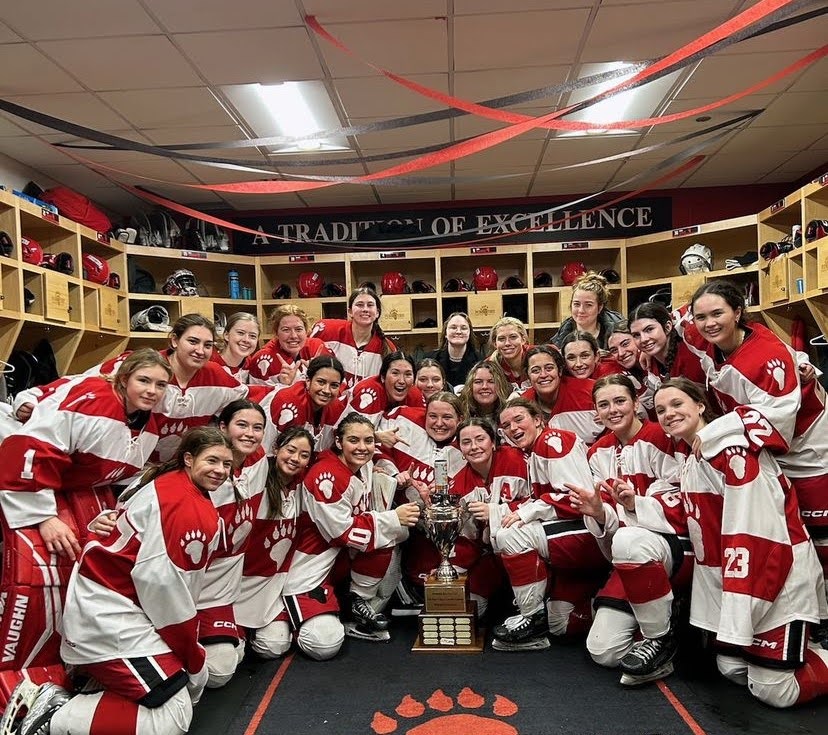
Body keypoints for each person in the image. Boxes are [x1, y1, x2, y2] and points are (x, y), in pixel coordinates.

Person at [6, 428, 234, 735]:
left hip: (122, 603)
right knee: (173, 716)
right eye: (213, 461)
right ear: (189, 459)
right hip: (110, 613)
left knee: (186, 683)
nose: (220, 470)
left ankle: (95, 687)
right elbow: (165, 592)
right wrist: (193, 657)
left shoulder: (174, 486)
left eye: (226, 464)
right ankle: (54, 713)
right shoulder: (184, 505)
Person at [648, 378, 828, 708]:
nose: (668, 414)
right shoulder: (693, 459)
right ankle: (801, 647)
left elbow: (757, 535)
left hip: (777, 576)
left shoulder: (732, 451)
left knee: (775, 692)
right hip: (745, 582)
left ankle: (816, 648)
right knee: (730, 668)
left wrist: (744, 608)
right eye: (660, 410)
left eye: (677, 404)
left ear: (701, 405)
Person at [0, 349, 171, 677]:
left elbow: (121, 468)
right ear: (123, 380)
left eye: (160, 384)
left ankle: (78, 654)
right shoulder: (94, 400)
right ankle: (19, 667)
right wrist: (44, 517)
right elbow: (27, 448)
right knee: (39, 572)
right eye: (144, 381)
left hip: (65, 479)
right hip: (17, 467)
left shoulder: (149, 422)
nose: (152, 390)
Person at [568, 375, 688, 686]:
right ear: (596, 412)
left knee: (628, 538)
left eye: (620, 401)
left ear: (636, 403)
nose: (613, 410)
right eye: (603, 405)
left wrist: (635, 505)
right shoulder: (596, 453)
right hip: (629, 551)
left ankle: (659, 637)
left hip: (677, 544)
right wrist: (597, 513)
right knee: (604, 652)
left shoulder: (663, 436)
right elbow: (609, 526)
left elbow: (686, 501)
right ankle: (668, 614)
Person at [281, 415, 420, 656]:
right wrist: (392, 518)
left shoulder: (362, 463)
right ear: (338, 442)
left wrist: (396, 483)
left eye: (368, 441)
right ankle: (293, 619)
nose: (362, 447)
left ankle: (356, 603)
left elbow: (372, 461)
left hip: (340, 559)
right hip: (312, 565)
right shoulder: (325, 476)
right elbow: (343, 534)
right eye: (353, 440)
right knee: (323, 645)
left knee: (395, 533)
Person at [490, 398, 608, 650]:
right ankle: (604, 599)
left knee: (511, 535)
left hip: (595, 530)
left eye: (519, 419)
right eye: (506, 425)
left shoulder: (553, 440)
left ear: (538, 420)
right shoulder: (535, 450)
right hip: (579, 532)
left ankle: (532, 618)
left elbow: (576, 497)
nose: (512, 428)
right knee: (561, 624)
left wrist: (527, 512)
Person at [197, 400, 268, 689]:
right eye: (242, 425)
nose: (250, 433)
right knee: (215, 670)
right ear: (223, 427)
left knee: (222, 668)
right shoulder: (199, 476)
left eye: (258, 427)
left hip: (223, 590)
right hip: (189, 584)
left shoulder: (259, 460)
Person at [234, 428, 315, 660]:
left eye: (304, 455)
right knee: (226, 662)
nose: (295, 459)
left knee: (274, 646)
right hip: (238, 582)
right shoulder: (254, 480)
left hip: (273, 585)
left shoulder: (305, 486)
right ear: (276, 448)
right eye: (290, 450)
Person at [450, 418, 532, 617]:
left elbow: (539, 500)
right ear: (460, 448)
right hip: (492, 557)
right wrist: (453, 570)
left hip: (530, 547)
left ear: (493, 442)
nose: (474, 447)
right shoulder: (459, 485)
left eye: (480, 439)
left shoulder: (517, 461)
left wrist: (496, 512)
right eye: (466, 442)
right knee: (470, 611)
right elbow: (468, 539)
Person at [310, 287, 396, 389]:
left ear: (377, 312)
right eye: (359, 305)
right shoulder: (326, 330)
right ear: (350, 311)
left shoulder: (387, 348)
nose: (365, 309)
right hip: (328, 401)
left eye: (370, 305)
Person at [260, 356, 348, 455]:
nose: (327, 390)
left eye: (334, 385)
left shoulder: (336, 408)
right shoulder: (287, 401)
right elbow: (265, 448)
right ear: (308, 381)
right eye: (321, 382)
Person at [520, 345, 604, 446]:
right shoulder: (522, 405)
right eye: (535, 371)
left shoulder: (590, 391)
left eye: (549, 368)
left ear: (559, 370)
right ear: (528, 376)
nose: (543, 375)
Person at [346, 352, 424, 444]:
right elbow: (351, 436)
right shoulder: (370, 391)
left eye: (408, 375)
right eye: (395, 373)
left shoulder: (414, 394)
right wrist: (377, 437)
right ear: (383, 377)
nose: (402, 381)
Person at [248, 305, 331, 388]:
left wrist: (319, 374)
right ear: (276, 333)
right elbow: (258, 398)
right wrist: (283, 385)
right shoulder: (263, 358)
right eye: (286, 330)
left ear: (306, 331)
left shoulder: (317, 348)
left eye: (298, 329)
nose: (293, 336)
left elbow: (338, 388)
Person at [628, 302, 707, 387]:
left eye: (649, 329)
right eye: (636, 335)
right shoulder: (650, 365)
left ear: (667, 327)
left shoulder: (691, 347)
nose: (643, 339)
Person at [550, 271, 623, 351]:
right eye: (576, 304)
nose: (581, 310)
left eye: (588, 305)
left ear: (600, 307)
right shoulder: (564, 331)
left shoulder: (617, 331)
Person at [606, 320, 657, 419]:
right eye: (614, 350)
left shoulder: (658, 359)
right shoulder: (619, 372)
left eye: (625, 344)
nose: (621, 353)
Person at [426, 312, 483, 389]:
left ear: (469, 333)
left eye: (463, 328)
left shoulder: (480, 361)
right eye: (453, 327)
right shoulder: (431, 359)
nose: (458, 332)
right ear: (445, 333)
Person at [209, 312, 261, 383]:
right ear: (226, 335)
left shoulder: (250, 364)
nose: (246, 340)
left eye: (252, 336)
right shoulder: (209, 361)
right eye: (240, 333)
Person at [487, 317, 531, 391]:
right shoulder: (489, 366)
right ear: (495, 344)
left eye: (513, 337)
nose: (507, 343)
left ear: (523, 339)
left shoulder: (540, 356)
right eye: (501, 339)